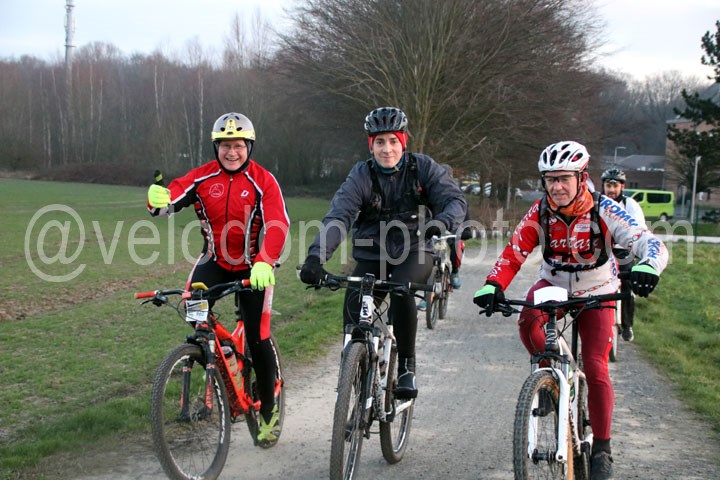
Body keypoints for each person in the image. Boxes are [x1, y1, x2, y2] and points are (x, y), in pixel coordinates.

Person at [473, 141, 668, 480]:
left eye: (564, 178)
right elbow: (513, 253)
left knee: (595, 366)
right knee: (528, 322)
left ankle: (603, 448)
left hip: (598, 288)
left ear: (582, 177)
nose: (557, 187)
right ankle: (549, 378)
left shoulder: (604, 208)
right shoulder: (540, 211)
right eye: (550, 180)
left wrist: (649, 265)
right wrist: (493, 284)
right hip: (554, 284)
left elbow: (648, 241)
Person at [299, 107, 467, 399]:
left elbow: (454, 200)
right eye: (379, 142)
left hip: (415, 250)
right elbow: (339, 217)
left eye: (392, 141)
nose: (387, 149)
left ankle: (406, 367)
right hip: (371, 254)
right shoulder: (361, 175)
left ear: (403, 141)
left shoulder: (422, 168)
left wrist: (441, 222)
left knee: (401, 290)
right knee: (354, 315)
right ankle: (355, 370)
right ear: (371, 145)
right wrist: (316, 257)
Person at [146, 112, 290, 446]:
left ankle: (268, 410)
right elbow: (170, 202)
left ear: (249, 146)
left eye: (238, 145)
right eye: (225, 146)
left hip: (254, 267)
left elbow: (278, 224)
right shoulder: (202, 177)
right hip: (215, 261)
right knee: (193, 312)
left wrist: (265, 262)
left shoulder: (263, 180)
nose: (232, 152)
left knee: (257, 337)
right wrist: (156, 200)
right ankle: (216, 357)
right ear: (216, 147)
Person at [601, 167, 645, 341]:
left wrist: (638, 247)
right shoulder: (596, 202)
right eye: (608, 185)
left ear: (622, 187)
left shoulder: (630, 205)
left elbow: (639, 228)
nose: (611, 190)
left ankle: (627, 325)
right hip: (601, 249)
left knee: (627, 282)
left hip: (623, 249)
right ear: (603, 186)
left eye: (615, 186)